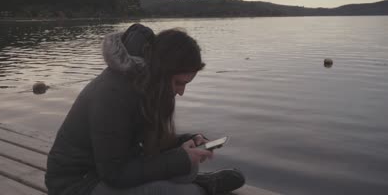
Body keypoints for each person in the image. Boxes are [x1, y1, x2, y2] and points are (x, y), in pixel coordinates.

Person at [45, 24, 245, 195]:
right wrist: (179, 159)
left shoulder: (145, 85)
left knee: (188, 170)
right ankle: (202, 188)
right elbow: (115, 175)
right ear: (162, 71)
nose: (181, 92)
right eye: (178, 83)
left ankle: (197, 181)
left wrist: (187, 141)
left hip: (108, 169)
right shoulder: (113, 94)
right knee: (181, 191)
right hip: (77, 184)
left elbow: (149, 145)